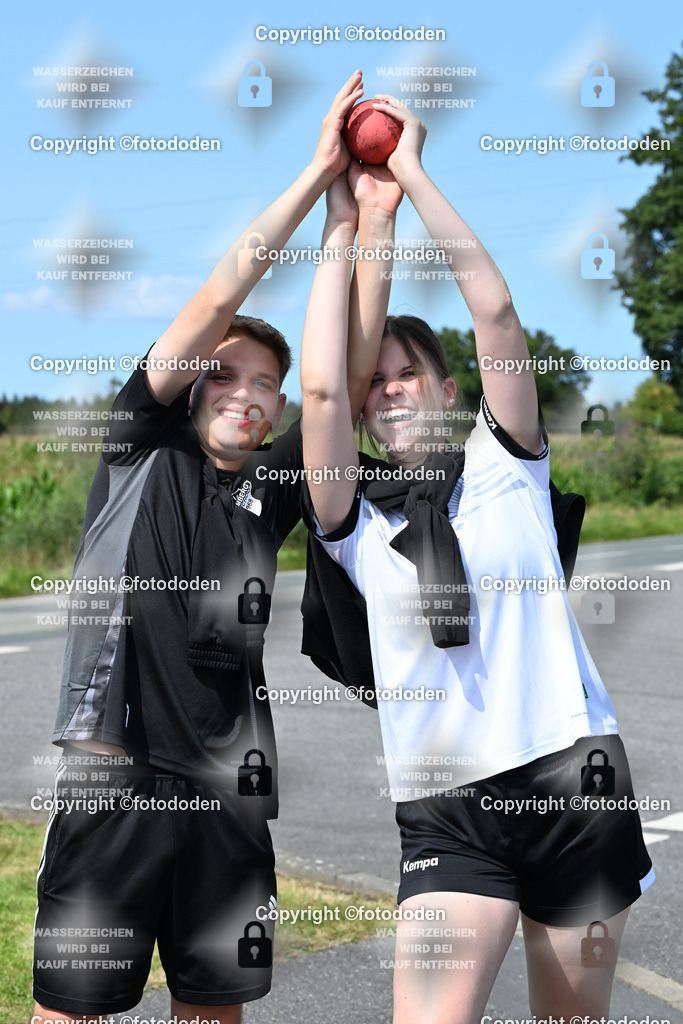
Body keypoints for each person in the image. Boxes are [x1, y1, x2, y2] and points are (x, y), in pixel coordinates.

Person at [300, 95, 654, 1024]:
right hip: (446, 809)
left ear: (448, 389)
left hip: (571, 774)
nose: (387, 390)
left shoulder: (505, 469)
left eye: (407, 371)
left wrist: (409, 174)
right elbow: (323, 381)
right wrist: (343, 222)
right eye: (377, 385)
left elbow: (493, 309)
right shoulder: (350, 515)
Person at [32, 72, 369, 1024]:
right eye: (226, 372)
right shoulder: (140, 446)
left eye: (268, 382)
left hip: (229, 795)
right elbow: (224, 287)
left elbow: (339, 378)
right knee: (72, 1011)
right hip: (116, 779)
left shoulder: (272, 491)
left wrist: (354, 224)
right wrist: (313, 174)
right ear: (186, 384)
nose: (247, 391)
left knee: (213, 1012)